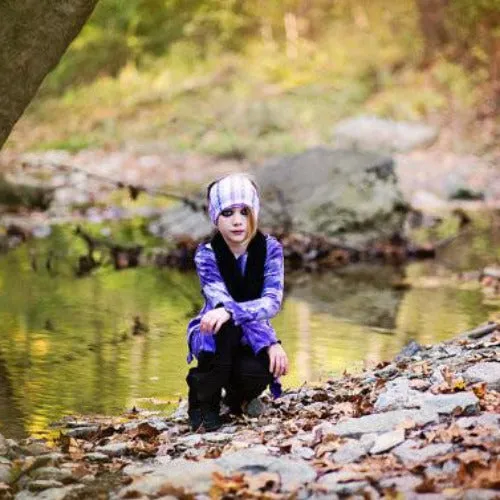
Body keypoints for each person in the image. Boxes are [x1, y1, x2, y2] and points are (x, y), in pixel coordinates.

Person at [186, 173, 289, 432]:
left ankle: (233, 398)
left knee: (261, 369)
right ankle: (202, 399)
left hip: (250, 335)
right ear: (215, 218)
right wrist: (267, 340)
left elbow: (271, 302)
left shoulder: (270, 249)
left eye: (244, 211)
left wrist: (269, 344)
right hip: (213, 336)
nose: (237, 221)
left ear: (254, 213)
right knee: (225, 326)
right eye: (227, 213)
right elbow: (222, 302)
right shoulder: (206, 255)